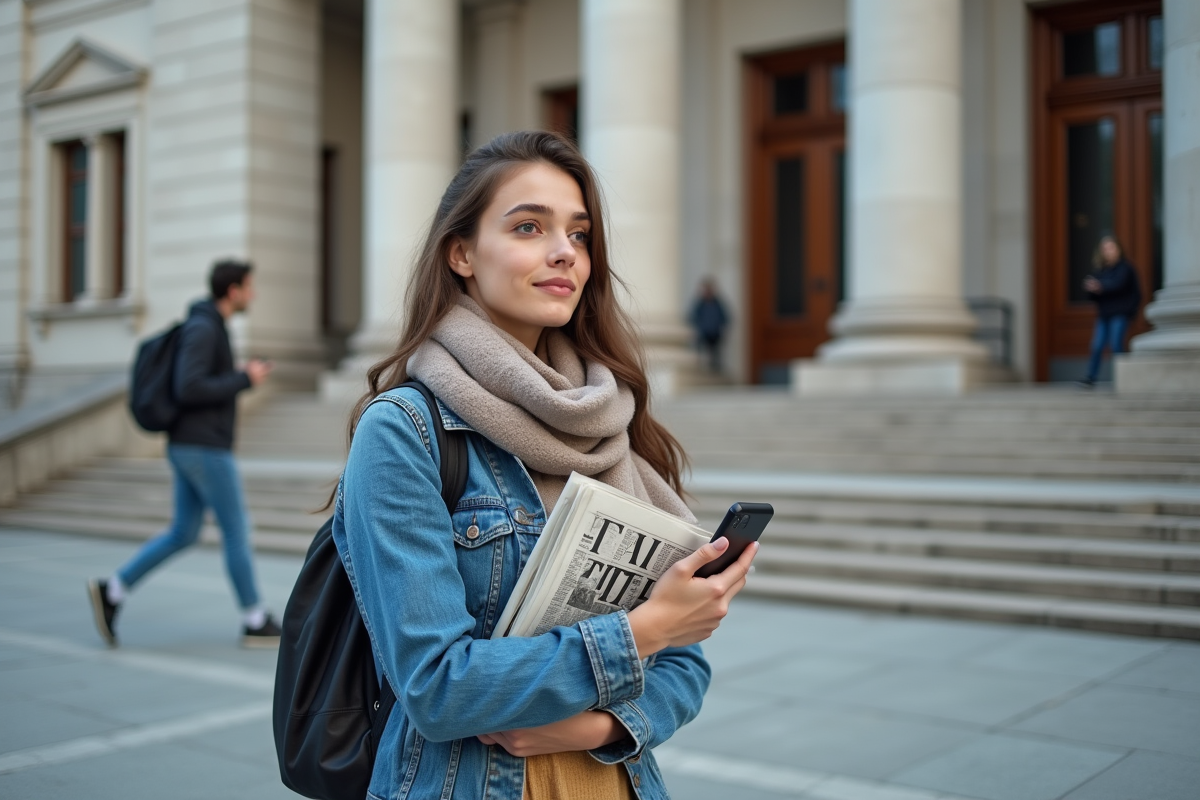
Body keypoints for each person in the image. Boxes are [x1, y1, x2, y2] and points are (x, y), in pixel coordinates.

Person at [332, 131, 757, 800]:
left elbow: (685, 668)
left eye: (580, 234)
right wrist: (642, 631)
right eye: (529, 226)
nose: (565, 251)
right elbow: (437, 689)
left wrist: (590, 729)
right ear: (463, 252)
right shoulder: (404, 432)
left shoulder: (607, 420)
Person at [88, 259, 280, 648]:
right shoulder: (205, 328)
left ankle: (113, 591)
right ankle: (254, 619)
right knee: (237, 529)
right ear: (233, 291)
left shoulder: (206, 325)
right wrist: (244, 378)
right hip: (203, 446)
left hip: (191, 444)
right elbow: (188, 387)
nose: (253, 294)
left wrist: (238, 375)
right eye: (249, 287)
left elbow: (194, 381)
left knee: (183, 532)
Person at [1080, 235, 1141, 387]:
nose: (1108, 251)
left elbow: (1119, 286)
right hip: (1104, 315)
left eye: (1110, 247)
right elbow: (1092, 297)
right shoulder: (1100, 270)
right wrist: (1092, 289)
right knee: (1097, 345)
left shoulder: (1125, 268)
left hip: (1120, 314)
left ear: (1118, 249)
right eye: (1104, 248)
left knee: (1116, 345)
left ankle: (1124, 379)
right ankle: (1091, 378)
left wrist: (1101, 287)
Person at [689, 277, 729, 371]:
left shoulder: (718, 303)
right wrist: (699, 326)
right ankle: (700, 366)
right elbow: (693, 316)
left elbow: (725, 317)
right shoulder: (700, 304)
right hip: (703, 332)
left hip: (715, 333)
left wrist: (722, 327)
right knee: (701, 349)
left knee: (715, 351)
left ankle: (714, 367)